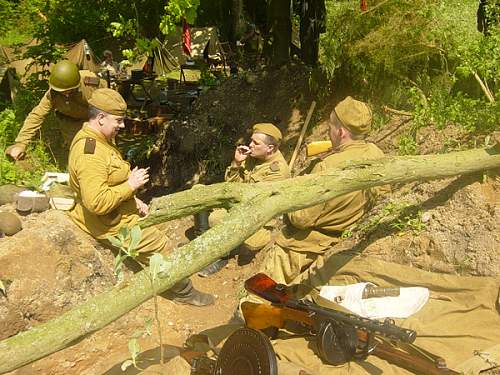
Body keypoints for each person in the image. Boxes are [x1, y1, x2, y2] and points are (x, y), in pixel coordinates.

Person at [67, 88, 214, 306]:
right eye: (118, 120)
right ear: (100, 118)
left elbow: (107, 181)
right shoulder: (92, 153)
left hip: (118, 211)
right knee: (162, 246)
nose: (122, 125)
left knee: (161, 226)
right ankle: (183, 291)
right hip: (111, 222)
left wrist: (132, 198)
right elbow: (96, 202)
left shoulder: (98, 139)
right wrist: (130, 185)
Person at [260, 96, 386, 285]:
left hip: (307, 246)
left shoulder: (326, 168)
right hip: (345, 239)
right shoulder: (377, 153)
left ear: (341, 132)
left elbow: (301, 218)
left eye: (330, 129)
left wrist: (296, 191)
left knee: (262, 288)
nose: (328, 134)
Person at [197, 123, 291, 277]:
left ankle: (222, 257)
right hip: (240, 206)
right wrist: (237, 163)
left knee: (216, 218)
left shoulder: (277, 171)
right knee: (198, 192)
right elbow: (231, 185)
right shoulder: (254, 158)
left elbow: (253, 203)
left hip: (257, 218)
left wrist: (225, 205)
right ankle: (202, 243)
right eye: (251, 141)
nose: (250, 145)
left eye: (256, 143)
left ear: (270, 148)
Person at [5, 60, 107, 164]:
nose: (66, 95)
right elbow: (37, 116)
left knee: (103, 151)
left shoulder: (90, 84)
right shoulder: (53, 93)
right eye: (62, 92)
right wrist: (21, 143)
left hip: (96, 120)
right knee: (80, 155)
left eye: (70, 90)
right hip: (71, 124)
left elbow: (109, 105)